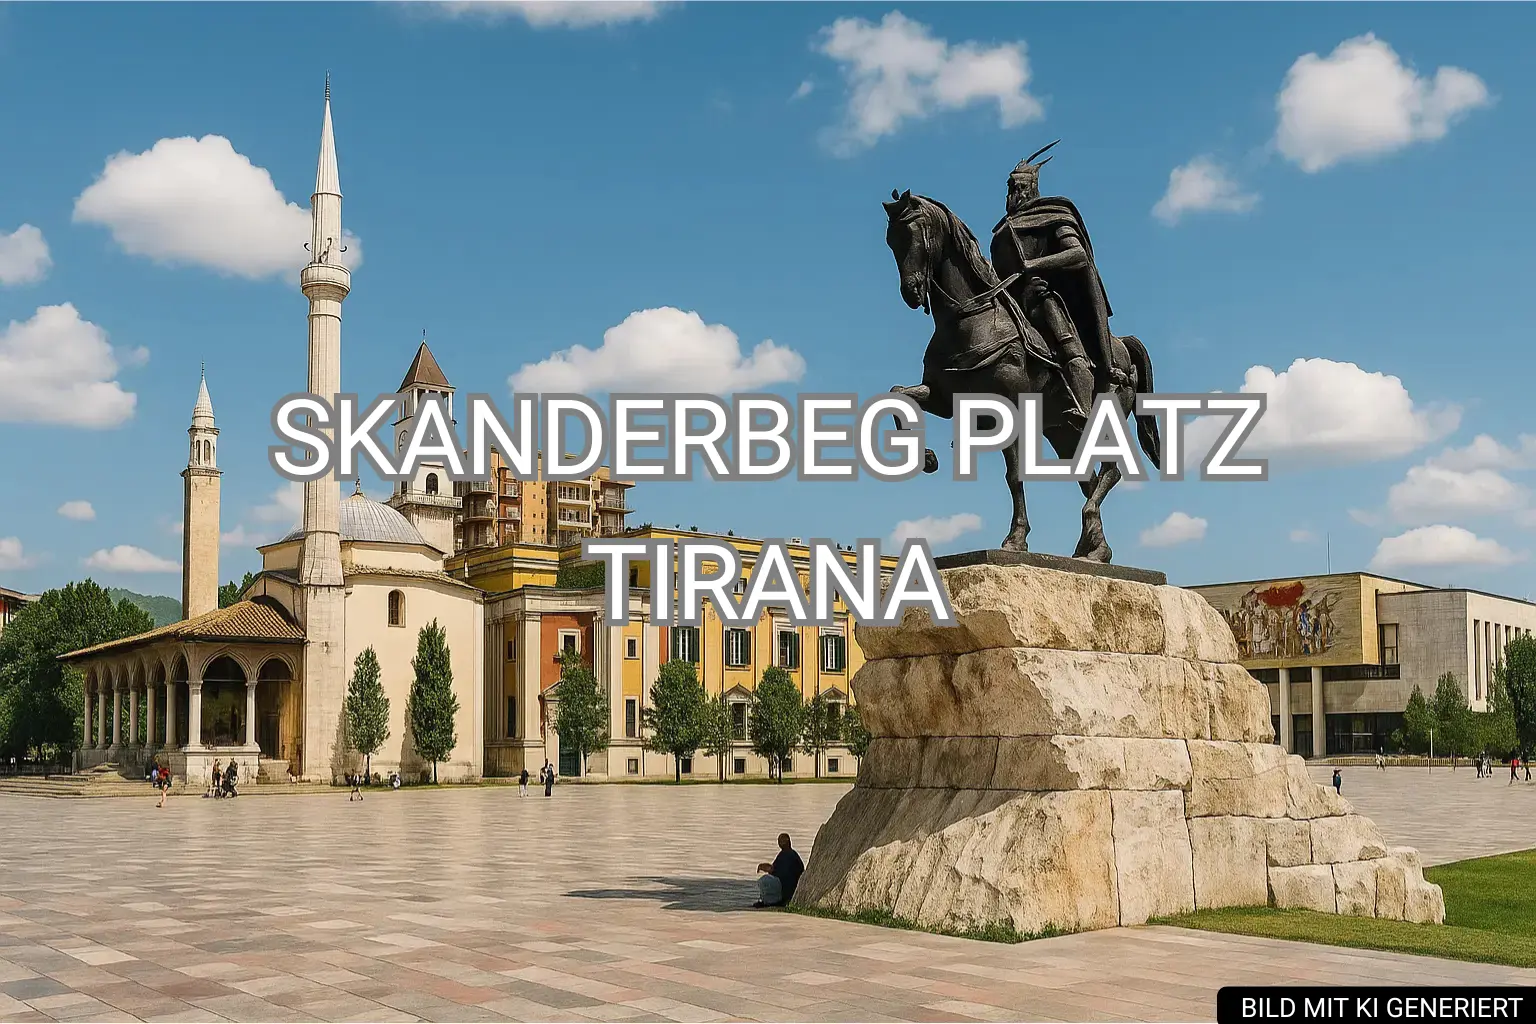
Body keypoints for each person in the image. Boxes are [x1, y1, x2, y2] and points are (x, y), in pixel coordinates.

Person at [989, 141, 1122, 426]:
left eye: (1018, 188)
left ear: (1030, 188)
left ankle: (1085, 407)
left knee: (1062, 336)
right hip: (1012, 301)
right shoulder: (1001, 232)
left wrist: (1033, 265)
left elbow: (1078, 255)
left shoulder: (1054, 215)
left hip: (1044, 294)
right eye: (1010, 188)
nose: (1012, 194)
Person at [754, 833, 805, 909]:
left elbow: (776, 871)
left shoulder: (790, 855)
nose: (780, 843)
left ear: (789, 842)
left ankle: (771, 901)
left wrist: (767, 868)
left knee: (765, 880)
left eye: (782, 841)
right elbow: (774, 869)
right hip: (787, 890)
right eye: (780, 841)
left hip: (787, 890)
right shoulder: (786, 855)